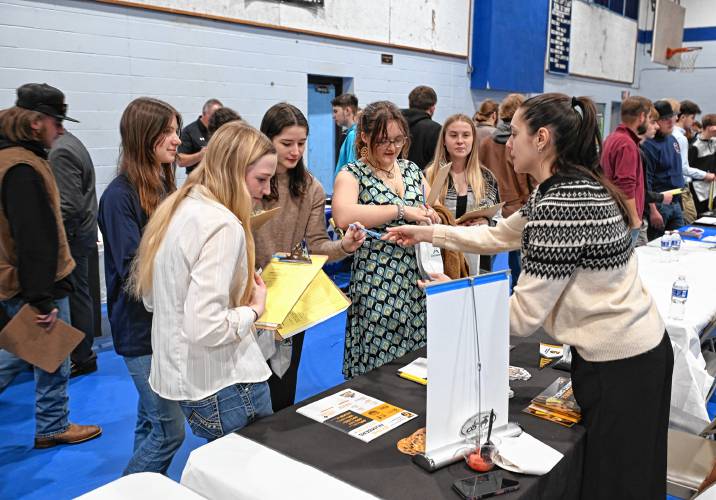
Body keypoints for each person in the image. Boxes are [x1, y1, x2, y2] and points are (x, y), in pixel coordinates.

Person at [385, 93, 671, 500]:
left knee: (619, 483)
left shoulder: (561, 203)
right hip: (636, 352)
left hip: (620, 364)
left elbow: (521, 316)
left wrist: (449, 296)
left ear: (541, 138)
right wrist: (428, 233)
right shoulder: (563, 188)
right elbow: (497, 235)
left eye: (515, 133)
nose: (506, 143)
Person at [131, 122, 278, 441]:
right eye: (261, 180)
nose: (266, 191)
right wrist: (254, 310)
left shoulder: (179, 207)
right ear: (234, 171)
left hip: (189, 383)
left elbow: (153, 299)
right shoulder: (223, 225)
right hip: (225, 384)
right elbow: (205, 326)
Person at [0, 83, 101, 448]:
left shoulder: (13, 157)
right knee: (34, 356)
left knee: (30, 355)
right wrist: (42, 297)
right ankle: (53, 425)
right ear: (36, 122)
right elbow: (33, 238)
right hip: (32, 284)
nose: (61, 130)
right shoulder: (22, 168)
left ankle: (52, 424)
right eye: (56, 122)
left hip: (21, 280)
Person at [255, 103, 365, 410]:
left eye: (301, 144)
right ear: (267, 140)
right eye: (286, 144)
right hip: (250, 300)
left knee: (282, 389)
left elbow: (317, 245)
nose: (295, 151)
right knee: (249, 392)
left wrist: (345, 245)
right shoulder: (246, 183)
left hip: (291, 300)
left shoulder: (311, 188)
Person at [98, 98, 184, 475]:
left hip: (163, 326)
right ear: (142, 136)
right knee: (169, 431)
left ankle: (146, 488)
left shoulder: (162, 189)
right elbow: (136, 271)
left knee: (150, 422)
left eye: (176, 130)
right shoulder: (119, 198)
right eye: (167, 131)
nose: (177, 139)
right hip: (139, 330)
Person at [332, 100, 440, 379]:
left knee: (418, 358)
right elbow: (343, 214)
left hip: (417, 276)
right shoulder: (352, 174)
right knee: (380, 365)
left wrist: (432, 215)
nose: (392, 147)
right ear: (365, 137)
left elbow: (434, 206)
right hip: (378, 279)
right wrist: (401, 210)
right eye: (383, 140)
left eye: (398, 139)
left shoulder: (412, 170)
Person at [49, 130, 99, 377]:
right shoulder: (71, 143)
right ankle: (82, 354)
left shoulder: (61, 150)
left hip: (73, 238)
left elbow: (68, 204)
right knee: (80, 296)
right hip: (80, 235)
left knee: (77, 297)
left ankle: (82, 356)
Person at [424, 114, 500, 274]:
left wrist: (488, 224)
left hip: (479, 261)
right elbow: (420, 220)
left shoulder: (487, 178)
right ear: (444, 140)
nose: (460, 141)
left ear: (473, 140)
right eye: (453, 135)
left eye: (466, 135)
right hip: (439, 262)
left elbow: (499, 221)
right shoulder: (428, 177)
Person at [478, 93, 529, 284]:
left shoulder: (486, 143)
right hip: (518, 208)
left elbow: (480, 175)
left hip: (492, 209)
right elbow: (525, 180)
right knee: (519, 263)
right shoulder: (521, 144)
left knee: (487, 259)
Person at [600, 96, 652, 245]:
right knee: (626, 266)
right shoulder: (627, 144)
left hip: (613, 215)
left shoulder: (611, 138)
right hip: (624, 220)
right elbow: (625, 186)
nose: (648, 122)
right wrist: (635, 219)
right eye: (648, 117)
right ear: (641, 117)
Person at [642, 100, 686, 240]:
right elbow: (646, 181)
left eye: (671, 117)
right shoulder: (648, 145)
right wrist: (653, 210)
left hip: (676, 202)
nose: (670, 122)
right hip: (659, 205)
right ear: (655, 121)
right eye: (664, 119)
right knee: (656, 247)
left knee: (678, 244)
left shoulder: (672, 139)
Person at [673, 99, 715, 223]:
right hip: (686, 187)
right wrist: (705, 175)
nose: (693, 121)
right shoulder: (682, 139)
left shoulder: (680, 136)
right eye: (692, 117)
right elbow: (684, 168)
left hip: (688, 187)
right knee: (690, 221)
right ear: (683, 117)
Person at [638, 106, 673, 246]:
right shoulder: (633, 149)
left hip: (639, 216)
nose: (657, 126)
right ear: (641, 120)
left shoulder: (637, 148)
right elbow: (631, 190)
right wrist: (659, 199)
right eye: (653, 122)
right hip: (634, 218)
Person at [177, 98, 222, 175]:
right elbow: (180, 161)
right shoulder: (189, 131)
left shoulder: (220, 130)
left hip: (219, 180)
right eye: (214, 116)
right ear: (204, 113)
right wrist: (200, 155)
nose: (217, 119)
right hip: (198, 180)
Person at [402, 86, 441, 170]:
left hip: (394, 178)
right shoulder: (436, 129)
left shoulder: (394, 123)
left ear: (410, 104)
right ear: (432, 108)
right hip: (423, 180)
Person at [689, 113, 716, 214]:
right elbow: (688, 169)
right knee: (701, 215)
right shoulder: (694, 146)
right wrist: (704, 176)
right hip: (698, 189)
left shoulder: (714, 142)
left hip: (712, 187)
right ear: (709, 128)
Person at [332, 93, 359, 175]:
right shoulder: (348, 134)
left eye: (335, 111)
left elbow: (352, 171)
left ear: (347, 111)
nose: (333, 116)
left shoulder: (353, 135)